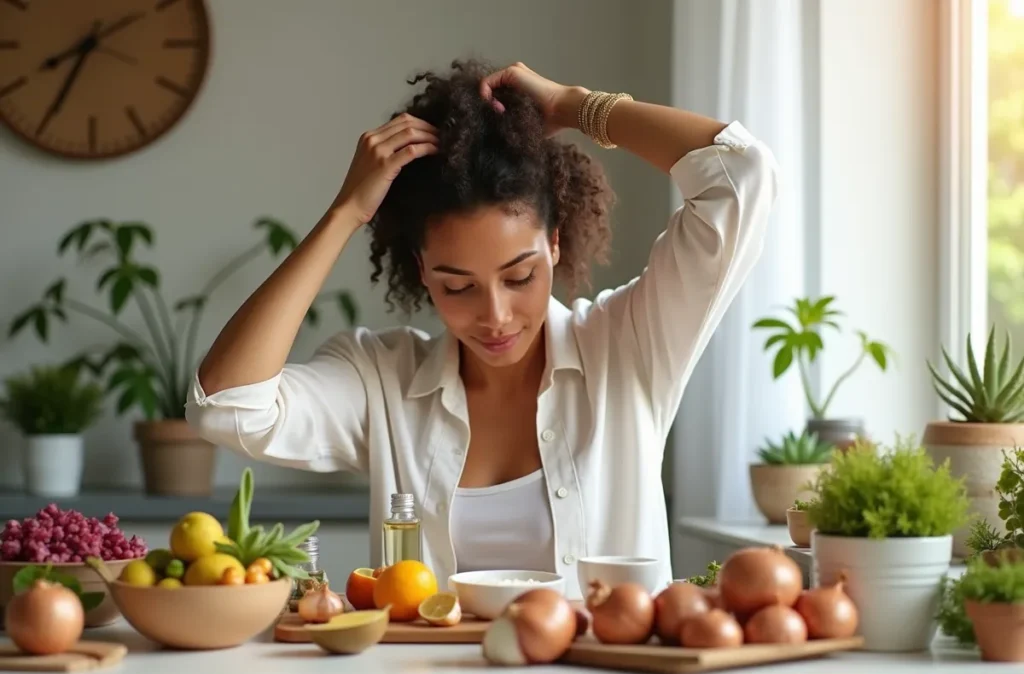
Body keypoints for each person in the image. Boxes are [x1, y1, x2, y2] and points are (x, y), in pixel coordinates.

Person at [185, 59, 779, 600]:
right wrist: (346, 212)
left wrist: (575, 105)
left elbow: (741, 176)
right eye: (458, 286)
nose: (494, 316)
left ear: (554, 243)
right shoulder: (383, 382)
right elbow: (227, 406)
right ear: (421, 272)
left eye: (519, 277)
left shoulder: (630, 347)